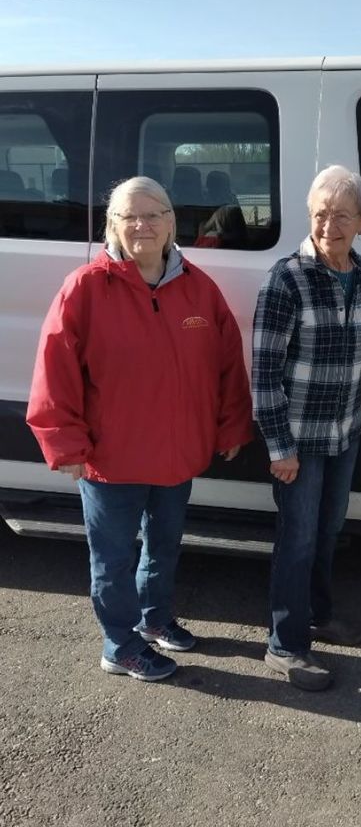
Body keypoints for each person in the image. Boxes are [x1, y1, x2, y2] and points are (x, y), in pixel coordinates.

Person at [26, 176, 252, 682]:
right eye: (129, 216)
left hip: (177, 455)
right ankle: (120, 644)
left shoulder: (198, 288)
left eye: (153, 214)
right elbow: (54, 370)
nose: (142, 225)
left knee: (164, 545)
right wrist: (64, 445)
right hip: (112, 459)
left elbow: (227, 366)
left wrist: (232, 425)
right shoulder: (85, 287)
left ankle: (154, 619)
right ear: (113, 224)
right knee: (112, 559)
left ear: (173, 223)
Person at [252, 164, 361, 691]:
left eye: (342, 216)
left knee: (328, 533)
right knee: (297, 540)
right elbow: (264, 372)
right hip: (298, 438)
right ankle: (285, 645)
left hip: (344, 432)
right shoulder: (286, 278)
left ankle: (318, 616)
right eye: (321, 214)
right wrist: (280, 447)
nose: (329, 226)